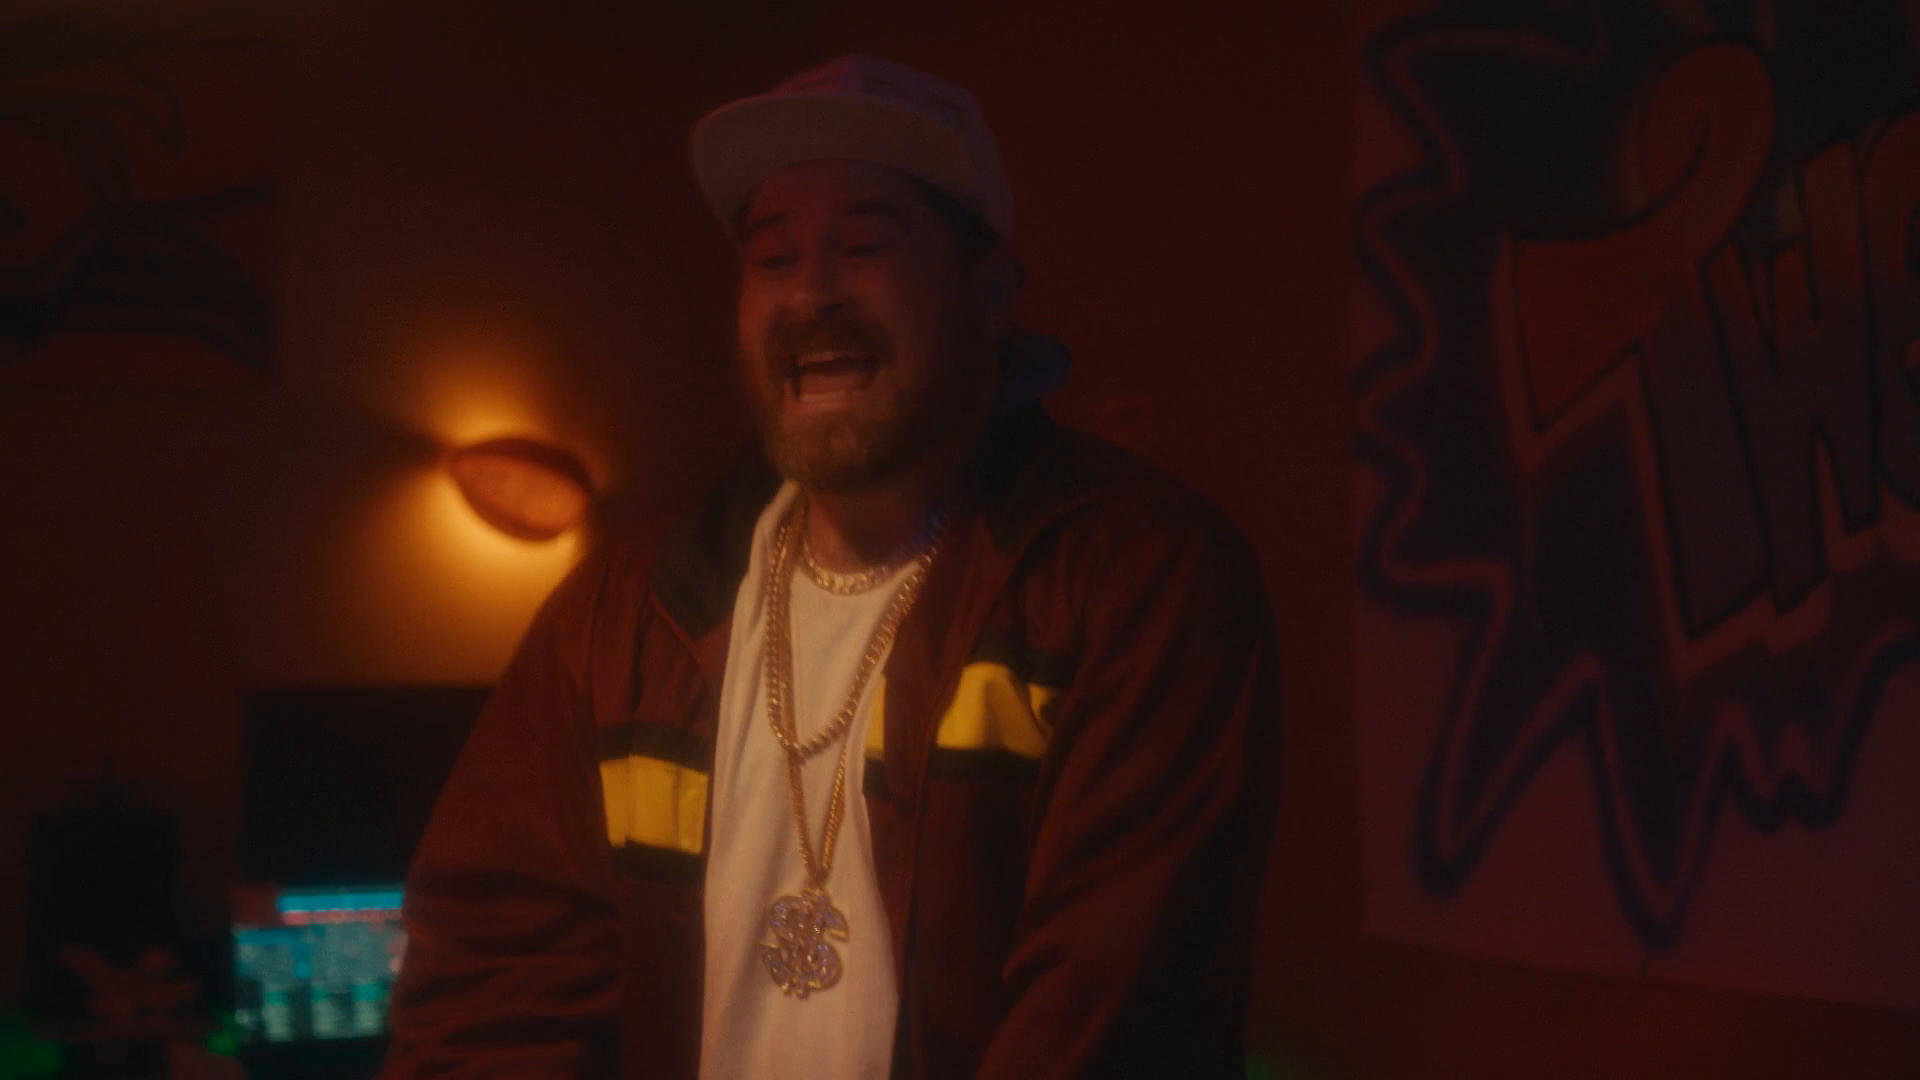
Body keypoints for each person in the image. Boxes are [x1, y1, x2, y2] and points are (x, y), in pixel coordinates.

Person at [379, 54, 1279, 1080]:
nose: (811, 291)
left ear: (991, 293)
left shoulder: (1134, 578)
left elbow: (1109, 1019)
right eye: (772, 257)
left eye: (865, 245)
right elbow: (495, 981)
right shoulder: (625, 614)